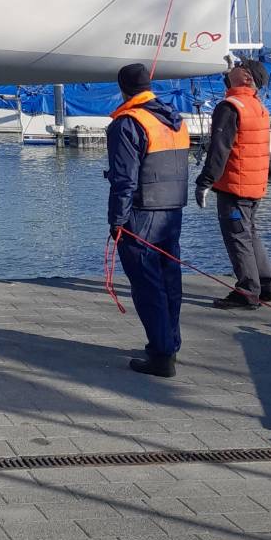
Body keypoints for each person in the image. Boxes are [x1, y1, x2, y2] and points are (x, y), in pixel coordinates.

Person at [106, 61, 191, 378]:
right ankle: (170, 341)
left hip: (141, 214)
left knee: (147, 285)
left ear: (123, 89)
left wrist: (117, 220)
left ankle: (161, 353)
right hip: (172, 211)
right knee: (170, 280)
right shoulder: (174, 119)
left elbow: (124, 180)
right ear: (149, 85)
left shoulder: (128, 123)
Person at [195, 58, 271, 309]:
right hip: (254, 182)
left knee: (237, 236)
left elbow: (220, 149)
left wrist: (204, 181)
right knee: (250, 232)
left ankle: (248, 291)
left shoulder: (231, 107)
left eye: (239, 65)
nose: (233, 65)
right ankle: (267, 284)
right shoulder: (256, 106)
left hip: (235, 184)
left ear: (247, 77)